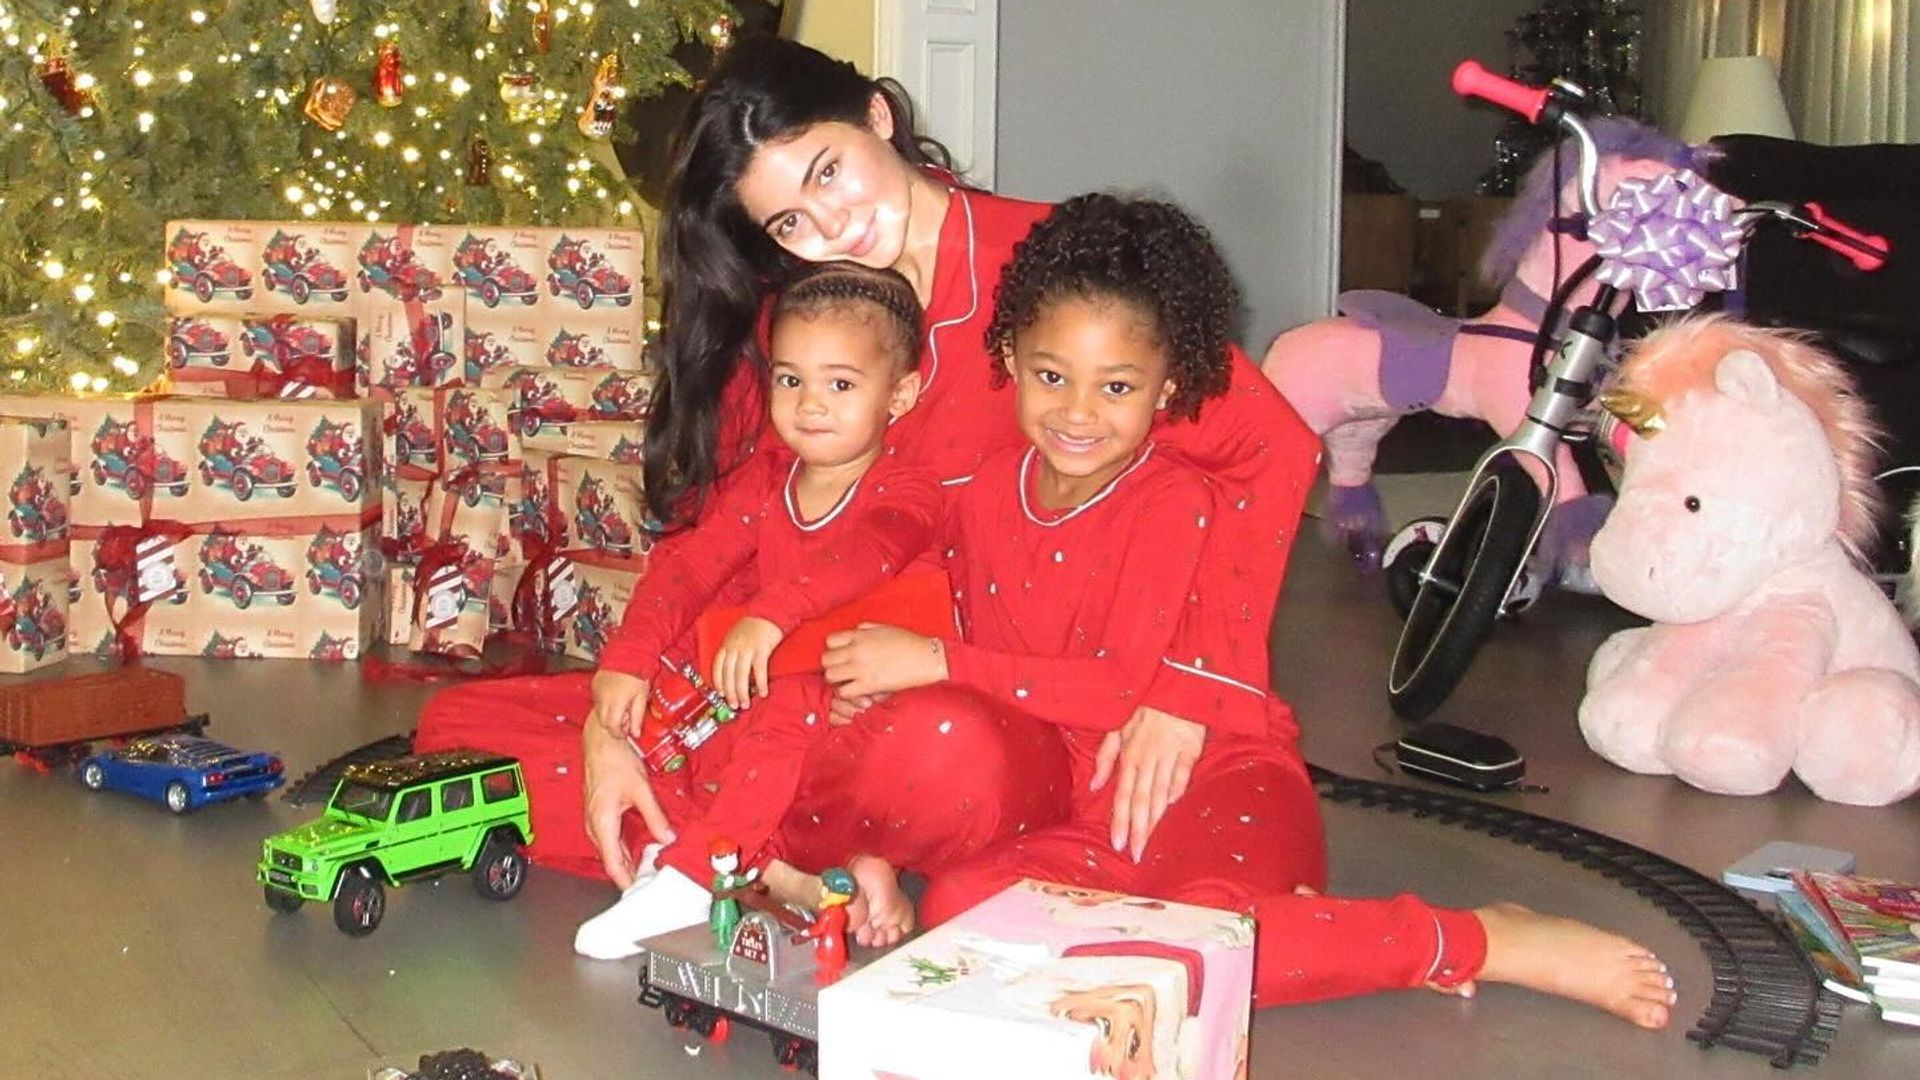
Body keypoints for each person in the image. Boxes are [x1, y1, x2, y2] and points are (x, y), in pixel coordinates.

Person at [413, 35, 1319, 952]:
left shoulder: (1054, 274)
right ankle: (773, 860)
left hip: (987, 712)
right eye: (788, 224)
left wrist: (1191, 683)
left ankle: (731, 847)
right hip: (804, 692)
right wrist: (625, 702)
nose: (829, 228)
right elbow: (729, 530)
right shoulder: (803, 319)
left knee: (937, 751)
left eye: (830, 172)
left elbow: (1270, 450)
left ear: (877, 119)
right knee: (459, 734)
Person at [812, 193, 1677, 1027]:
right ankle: (1273, 930)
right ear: (1008, 360)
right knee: (965, 904)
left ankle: (1474, 939)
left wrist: (937, 664)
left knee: (1209, 944)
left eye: (1116, 388)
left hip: (1221, 775)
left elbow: (1113, 688)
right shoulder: (987, 495)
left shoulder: (1173, 500)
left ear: (1170, 387)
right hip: (1086, 815)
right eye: (1051, 376)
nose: (1077, 412)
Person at [553, 262, 963, 957]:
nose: (809, 404)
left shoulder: (909, 489)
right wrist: (628, 661)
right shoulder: (768, 482)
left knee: (779, 713)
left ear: (900, 395)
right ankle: (817, 874)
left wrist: (772, 614)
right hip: (783, 683)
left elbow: (868, 554)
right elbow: (690, 567)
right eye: (789, 378)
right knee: (674, 728)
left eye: (841, 383)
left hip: (866, 704)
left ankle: (692, 878)